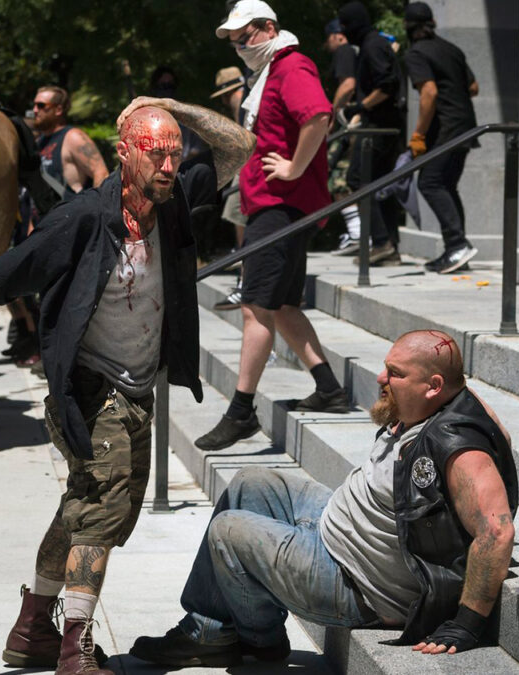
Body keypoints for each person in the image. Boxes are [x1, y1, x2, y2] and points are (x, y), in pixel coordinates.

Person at [0, 98, 254, 674]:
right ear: (124, 154)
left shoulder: (170, 201)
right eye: (156, 153)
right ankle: (75, 649)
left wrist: (169, 106)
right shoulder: (79, 219)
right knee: (101, 508)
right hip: (85, 389)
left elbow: (240, 148)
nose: (169, 166)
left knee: (89, 509)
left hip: (136, 391)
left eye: (174, 154)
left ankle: (33, 628)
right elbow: (0, 280)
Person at [132, 331, 518, 667]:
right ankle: (209, 631)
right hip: (338, 526)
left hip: (360, 585)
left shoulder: (458, 449)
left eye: (396, 374)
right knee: (250, 482)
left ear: (434, 386)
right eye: (386, 366)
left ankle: (260, 639)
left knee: (228, 531)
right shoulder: (437, 402)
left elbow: (497, 532)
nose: (381, 378)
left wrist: (467, 622)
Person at [195, 0, 349, 453]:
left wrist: (295, 168)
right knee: (279, 304)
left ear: (268, 28)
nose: (240, 46)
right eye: (235, 41)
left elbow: (319, 116)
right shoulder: (270, 72)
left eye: (245, 36)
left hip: (281, 206)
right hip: (272, 204)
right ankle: (329, 389)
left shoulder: (291, 65)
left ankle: (241, 411)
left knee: (255, 306)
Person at [403, 3, 481, 275]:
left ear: (407, 26)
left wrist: (418, 134)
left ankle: (458, 245)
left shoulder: (416, 53)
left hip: (446, 129)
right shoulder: (451, 49)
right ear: (432, 21)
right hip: (466, 126)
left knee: (430, 182)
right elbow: (473, 87)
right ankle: (455, 249)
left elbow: (429, 93)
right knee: (446, 184)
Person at [338, 1, 404, 266]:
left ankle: (380, 242)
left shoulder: (372, 45)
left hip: (378, 127)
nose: (343, 32)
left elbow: (387, 84)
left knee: (358, 179)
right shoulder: (373, 43)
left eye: (345, 26)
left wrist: (361, 106)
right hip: (382, 125)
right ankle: (389, 245)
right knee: (380, 186)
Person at [209, 66, 250, 311]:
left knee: (239, 219)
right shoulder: (249, 94)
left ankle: (245, 279)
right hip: (249, 164)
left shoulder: (240, 99)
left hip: (247, 165)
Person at [324, 17, 364, 256]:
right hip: (357, 121)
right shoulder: (357, 51)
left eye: (328, 39)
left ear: (337, 35)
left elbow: (348, 84)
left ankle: (357, 233)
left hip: (347, 123)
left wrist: (332, 114)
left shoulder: (344, 51)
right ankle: (358, 231)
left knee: (339, 177)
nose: (328, 45)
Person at [32, 85, 110, 199]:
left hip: (72, 214)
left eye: (41, 105)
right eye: (34, 105)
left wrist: (96, 210)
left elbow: (101, 173)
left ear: (58, 110)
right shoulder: (39, 142)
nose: (35, 110)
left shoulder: (73, 137)